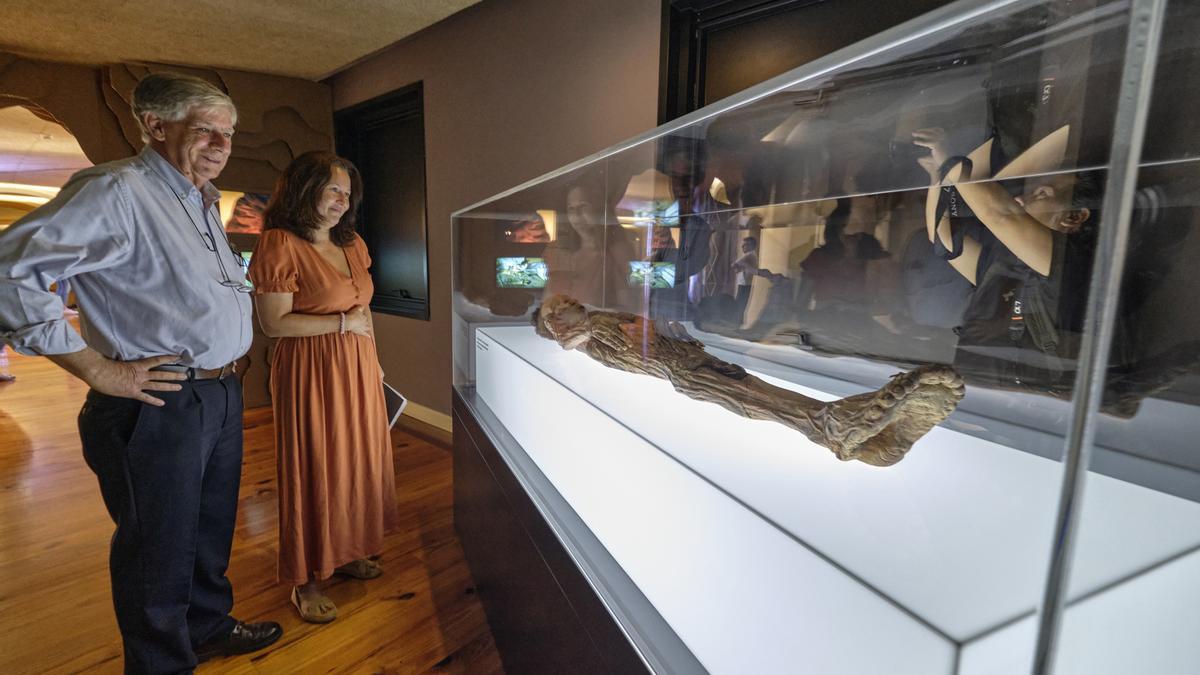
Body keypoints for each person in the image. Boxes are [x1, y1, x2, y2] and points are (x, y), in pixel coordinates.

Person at [0, 72, 282, 672]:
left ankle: (205, 627)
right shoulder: (116, 189)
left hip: (219, 393)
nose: (221, 144)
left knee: (206, 535)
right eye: (205, 128)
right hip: (156, 400)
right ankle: (160, 665)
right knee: (157, 551)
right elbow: (9, 275)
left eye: (227, 132)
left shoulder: (200, 199)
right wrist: (99, 370)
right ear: (155, 125)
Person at [249, 151, 398, 624]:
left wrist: (373, 362)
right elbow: (274, 324)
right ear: (303, 189)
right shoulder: (278, 243)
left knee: (357, 459)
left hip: (356, 366)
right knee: (316, 464)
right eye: (332, 189)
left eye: (347, 193)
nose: (341, 201)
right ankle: (306, 579)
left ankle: (349, 549)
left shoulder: (352, 243)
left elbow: (363, 310)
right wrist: (340, 324)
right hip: (310, 371)